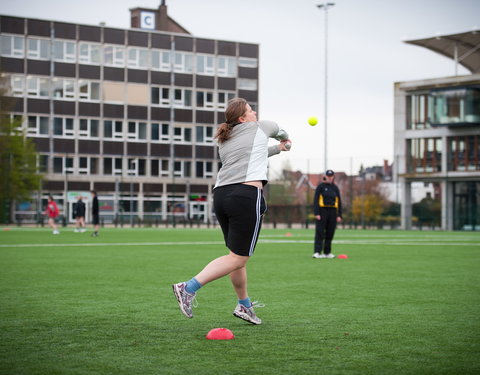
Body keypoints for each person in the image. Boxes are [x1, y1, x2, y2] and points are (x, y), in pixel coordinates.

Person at [172, 97, 291, 325]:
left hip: (222, 196)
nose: (254, 112)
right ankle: (188, 288)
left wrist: (277, 149)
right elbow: (281, 131)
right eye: (250, 110)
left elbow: (253, 155)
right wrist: (286, 142)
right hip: (245, 196)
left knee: (235, 257)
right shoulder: (261, 126)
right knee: (238, 258)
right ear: (242, 118)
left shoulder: (225, 140)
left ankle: (244, 306)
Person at [312, 170, 343, 259]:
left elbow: (339, 201)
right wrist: (317, 213)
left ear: (333, 177)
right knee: (320, 232)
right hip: (322, 211)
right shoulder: (320, 187)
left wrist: (339, 215)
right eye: (328, 176)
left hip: (333, 212)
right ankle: (317, 252)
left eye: (331, 176)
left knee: (330, 232)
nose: (330, 178)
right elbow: (316, 200)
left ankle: (327, 252)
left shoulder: (335, 188)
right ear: (325, 176)